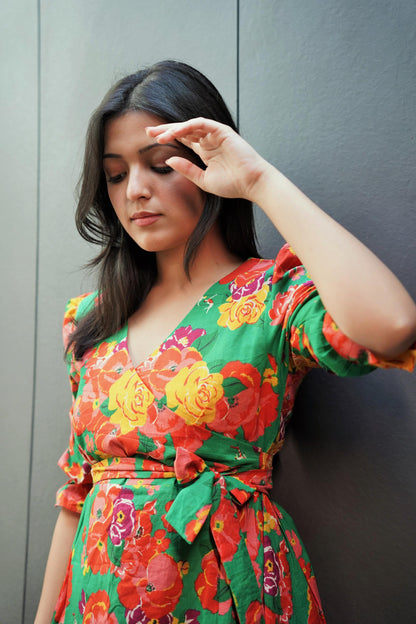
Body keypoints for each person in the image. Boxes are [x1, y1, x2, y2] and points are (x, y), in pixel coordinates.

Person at [34, 60, 416, 624]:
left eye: (161, 165)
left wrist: (258, 180)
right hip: (99, 599)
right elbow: (77, 497)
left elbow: (392, 325)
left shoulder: (270, 296)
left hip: (226, 595)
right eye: (116, 175)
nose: (136, 190)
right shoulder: (90, 320)